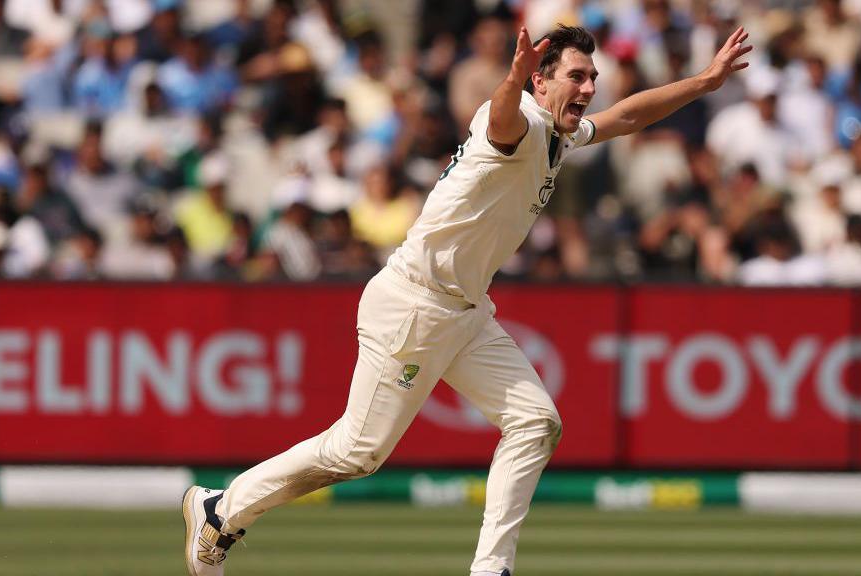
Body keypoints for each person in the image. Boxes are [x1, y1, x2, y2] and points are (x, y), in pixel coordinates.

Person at [182, 23, 751, 576]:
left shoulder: (557, 131)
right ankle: (221, 509)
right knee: (357, 454)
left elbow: (626, 116)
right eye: (577, 77)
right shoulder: (519, 122)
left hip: (465, 310)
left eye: (593, 76)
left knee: (535, 421)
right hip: (414, 304)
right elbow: (503, 116)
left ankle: (491, 569)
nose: (589, 88)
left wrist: (703, 82)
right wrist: (511, 79)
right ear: (540, 82)